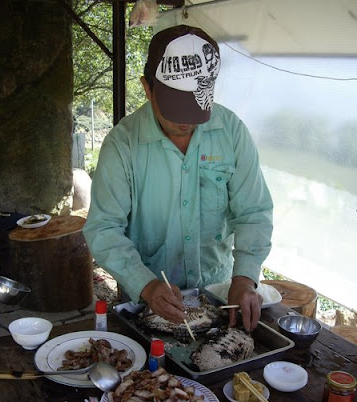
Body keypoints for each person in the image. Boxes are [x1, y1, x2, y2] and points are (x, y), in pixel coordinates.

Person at [84, 24, 273, 332]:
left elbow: (253, 212)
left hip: (218, 294)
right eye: (175, 108)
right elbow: (104, 228)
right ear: (147, 88)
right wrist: (144, 283)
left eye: (196, 106)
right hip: (147, 303)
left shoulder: (231, 132)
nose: (186, 121)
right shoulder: (123, 144)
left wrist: (244, 278)